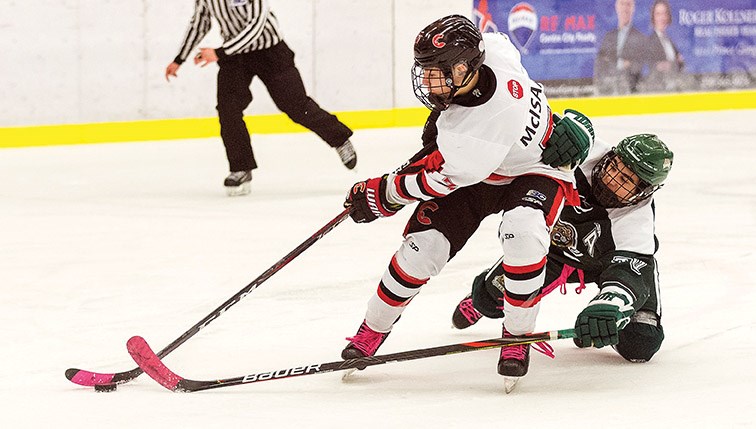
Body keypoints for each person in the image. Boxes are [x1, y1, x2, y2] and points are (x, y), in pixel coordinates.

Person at [339, 15, 594, 384]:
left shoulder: (473, 133)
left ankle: (518, 335)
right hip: (484, 170)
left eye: (437, 72)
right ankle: (371, 331)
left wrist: (382, 195)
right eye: (425, 70)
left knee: (523, 235)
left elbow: (434, 179)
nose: (428, 81)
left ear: (465, 67)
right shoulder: (497, 49)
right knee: (421, 249)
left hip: (535, 170)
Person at [452, 132, 673, 385]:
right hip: (553, 253)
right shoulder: (583, 152)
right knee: (486, 298)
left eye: (624, 180)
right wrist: (572, 126)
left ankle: (599, 325)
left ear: (642, 191)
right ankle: (478, 302)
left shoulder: (638, 215)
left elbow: (630, 270)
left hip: (606, 264)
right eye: (614, 167)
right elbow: (541, 128)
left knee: (641, 342)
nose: (612, 179)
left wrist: (606, 310)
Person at [165, 0, 356, 196]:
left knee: (296, 106)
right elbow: (199, 23)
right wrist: (179, 58)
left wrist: (219, 52)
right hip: (236, 56)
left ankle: (340, 139)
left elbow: (256, 25)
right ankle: (241, 168)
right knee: (228, 109)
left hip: (270, 52)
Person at [594, 0, 647, 95]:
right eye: (622, 4)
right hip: (608, 91)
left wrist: (612, 63)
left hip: (631, 90)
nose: (625, 8)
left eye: (628, 4)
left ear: (633, 8)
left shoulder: (640, 38)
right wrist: (622, 63)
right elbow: (600, 63)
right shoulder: (608, 36)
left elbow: (638, 65)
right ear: (617, 7)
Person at [644, 0, 685, 92]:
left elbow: (681, 64)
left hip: (674, 89)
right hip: (659, 92)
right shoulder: (649, 42)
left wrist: (671, 64)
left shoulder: (669, 41)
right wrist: (674, 63)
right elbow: (655, 68)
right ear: (653, 17)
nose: (662, 18)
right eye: (658, 14)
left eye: (664, 13)